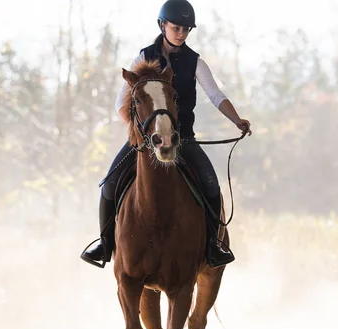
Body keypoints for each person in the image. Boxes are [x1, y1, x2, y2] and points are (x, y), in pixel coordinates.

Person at [80, 0, 251, 268]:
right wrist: (138, 136)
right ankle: (104, 244)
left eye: (185, 29)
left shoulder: (195, 62)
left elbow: (216, 95)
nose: (181, 33)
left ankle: (213, 246)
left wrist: (237, 119)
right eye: (176, 27)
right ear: (162, 25)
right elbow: (120, 104)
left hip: (183, 139)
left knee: (210, 184)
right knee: (110, 183)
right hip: (145, 141)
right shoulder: (144, 57)